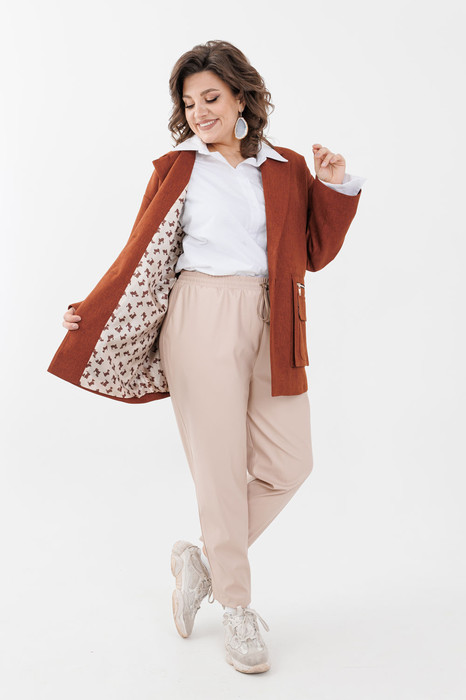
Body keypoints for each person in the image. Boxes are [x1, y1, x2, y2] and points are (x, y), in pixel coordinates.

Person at [59, 39, 366, 674]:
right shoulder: (178, 167)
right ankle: (237, 608)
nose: (199, 112)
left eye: (211, 98)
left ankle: (201, 561)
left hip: (273, 319)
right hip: (199, 314)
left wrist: (334, 188)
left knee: (290, 462)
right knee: (221, 471)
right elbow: (139, 249)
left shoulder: (284, 167)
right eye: (190, 102)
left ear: (241, 98)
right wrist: (92, 306)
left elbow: (312, 251)